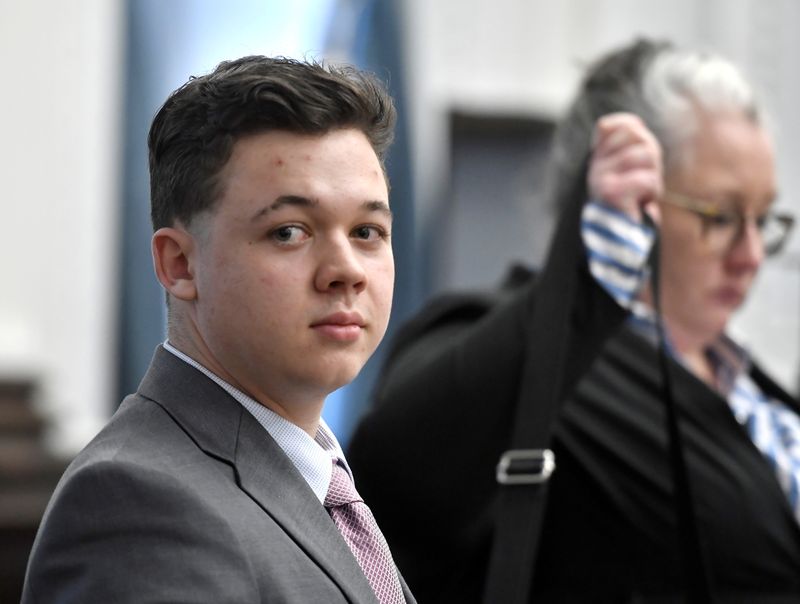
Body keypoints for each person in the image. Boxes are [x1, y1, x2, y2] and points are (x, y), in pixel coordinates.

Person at [347, 38, 800, 602]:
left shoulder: (748, 379)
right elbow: (396, 478)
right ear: (626, 199)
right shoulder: (516, 343)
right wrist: (587, 283)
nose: (752, 254)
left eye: (764, 221)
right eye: (723, 217)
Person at [23, 55, 414, 603]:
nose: (346, 270)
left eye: (368, 231)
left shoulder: (322, 481)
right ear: (179, 265)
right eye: (289, 232)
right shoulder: (137, 504)